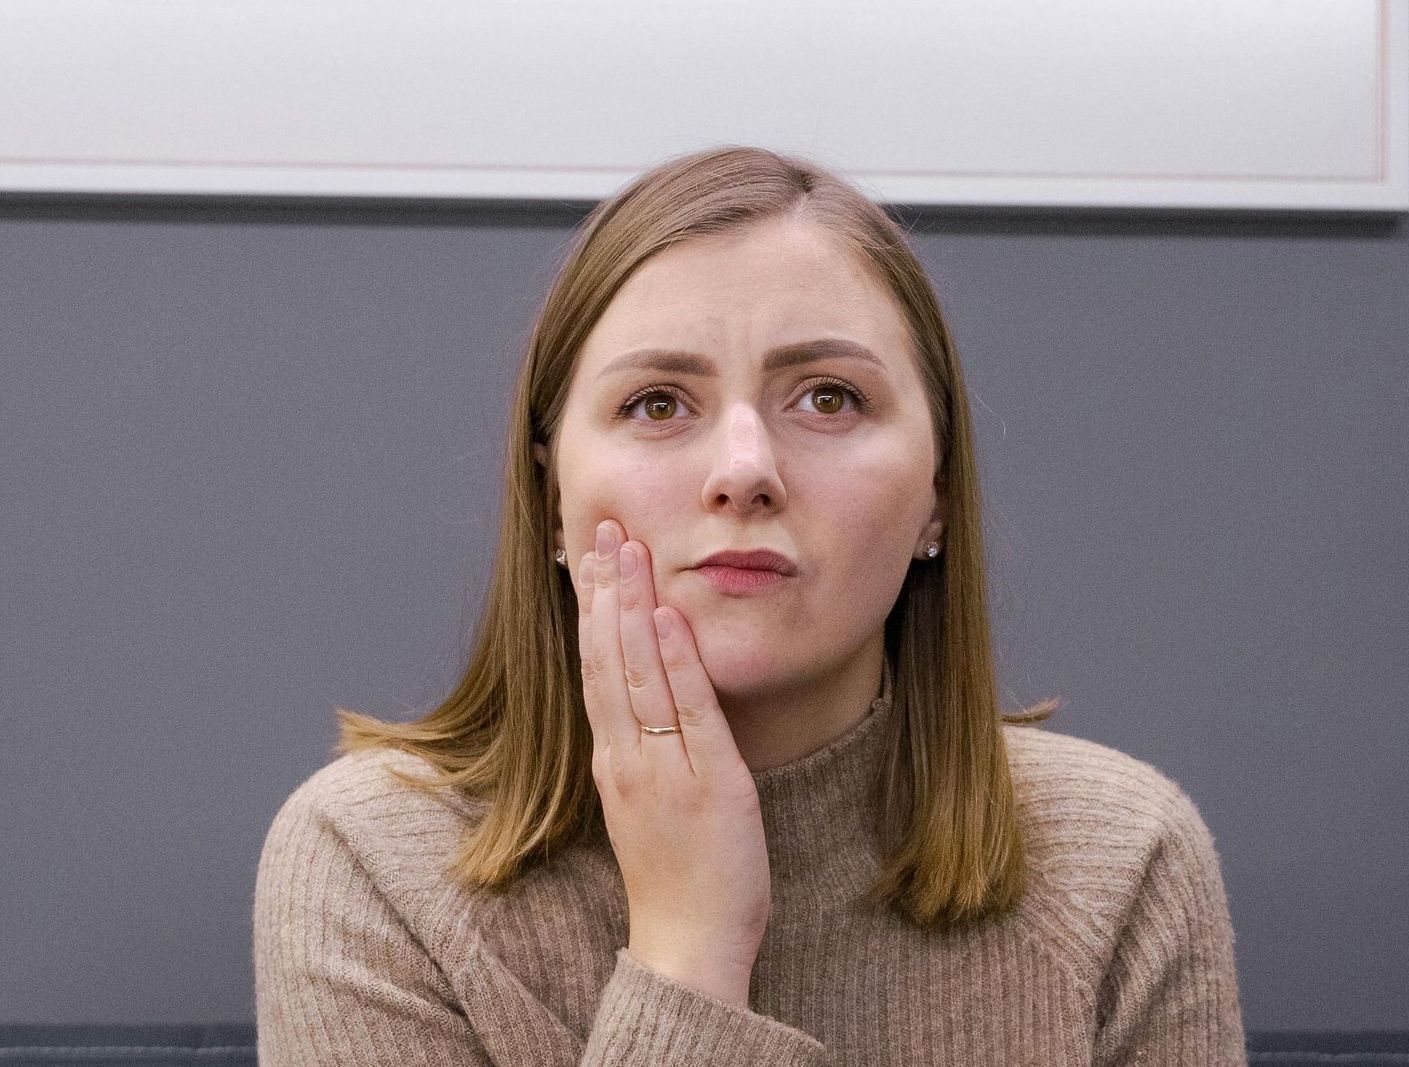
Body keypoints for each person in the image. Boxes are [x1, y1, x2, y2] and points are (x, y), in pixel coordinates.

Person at [253, 144, 1248, 1065]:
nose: (744, 471)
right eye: (657, 404)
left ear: (936, 493)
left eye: (828, 398)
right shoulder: (370, 860)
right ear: (551, 497)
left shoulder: (1124, 855)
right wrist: (690, 949)